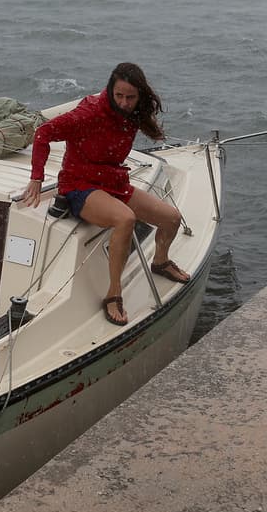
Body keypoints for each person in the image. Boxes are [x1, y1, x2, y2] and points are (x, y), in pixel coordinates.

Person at [21, 62, 189, 326]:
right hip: (79, 185)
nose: (123, 102)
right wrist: (36, 177)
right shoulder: (88, 113)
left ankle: (160, 261)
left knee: (171, 218)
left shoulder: (134, 112)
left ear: (140, 95)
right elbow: (43, 133)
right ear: (110, 91)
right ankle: (113, 294)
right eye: (118, 95)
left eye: (130, 97)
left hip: (113, 180)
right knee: (125, 219)